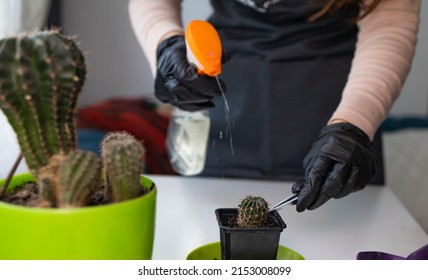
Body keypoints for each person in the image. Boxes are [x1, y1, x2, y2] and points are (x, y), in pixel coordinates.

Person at [128, 0, 421, 212]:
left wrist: (354, 123)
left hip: (339, 100)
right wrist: (164, 43)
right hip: (227, 90)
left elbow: (390, 23)